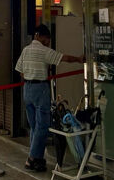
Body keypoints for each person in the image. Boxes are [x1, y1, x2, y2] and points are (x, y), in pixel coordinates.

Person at [15, 23, 83, 172]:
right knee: (43, 126)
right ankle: (31, 158)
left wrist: (30, 76)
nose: (48, 42)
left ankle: (38, 159)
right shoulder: (43, 51)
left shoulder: (26, 50)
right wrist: (79, 59)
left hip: (27, 89)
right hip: (40, 89)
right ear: (40, 36)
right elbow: (64, 58)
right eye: (47, 39)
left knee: (34, 126)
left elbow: (20, 71)